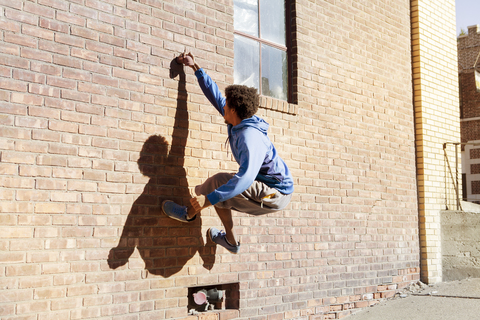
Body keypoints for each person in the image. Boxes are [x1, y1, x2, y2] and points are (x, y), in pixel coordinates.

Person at [162, 52, 294, 254]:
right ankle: (230, 242)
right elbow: (214, 94)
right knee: (219, 189)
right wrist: (195, 67)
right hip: (267, 189)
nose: (223, 106)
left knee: (218, 186)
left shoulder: (250, 137)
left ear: (233, 110)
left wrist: (207, 198)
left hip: (274, 195)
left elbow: (246, 177)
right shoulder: (236, 119)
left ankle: (188, 214)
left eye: (227, 105)